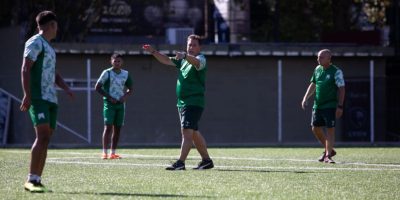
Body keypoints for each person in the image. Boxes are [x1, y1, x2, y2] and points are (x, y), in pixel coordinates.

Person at [20, 11, 74, 192]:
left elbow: (53, 73)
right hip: (38, 97)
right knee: (42, 136)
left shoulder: (49, 47)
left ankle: (37, 179)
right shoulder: (35, 42)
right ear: (52, 25)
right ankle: (30, 180)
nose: (57, 30)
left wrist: (66, 87)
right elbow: (26, 68)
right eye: (56, 26)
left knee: (46, 138)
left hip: (51, 98)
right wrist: (27, 95)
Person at [142, 34, 214, 170]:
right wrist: (153, 51)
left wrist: (185, 56)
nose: (191, 47)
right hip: (183, 102)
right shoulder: (183, 61)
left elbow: (198, 63)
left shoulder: (201, 58)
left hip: (193, 102)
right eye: (189, 45)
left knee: (186, 132)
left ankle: (180, 163)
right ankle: (207, 161)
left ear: (200, 47)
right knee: (194, 134)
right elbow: (166, 60)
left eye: (194, 45)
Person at [301, 49, 345, 164]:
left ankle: (328, 155)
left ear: (329, 59)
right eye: (318, 57)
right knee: (315, 128)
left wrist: (340, 106)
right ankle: (329, 150)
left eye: (321, 57)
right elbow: (313, 84)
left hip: (330, 105)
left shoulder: (336, 71)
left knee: (330, 129)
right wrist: (306, 97)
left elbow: (342, 89)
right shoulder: (317, 69)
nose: (318, 59)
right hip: (317, 105)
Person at [95, 53, 133, 160]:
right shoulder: (106, 73)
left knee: (118, 129)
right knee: (108, 127)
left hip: (120, 105)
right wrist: (109, 97)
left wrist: (124, 96)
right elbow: (97, 87)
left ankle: (113, 153)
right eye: (115, 61)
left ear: (122, 62)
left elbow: (131, 89)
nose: (117, 63)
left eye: (119, 61)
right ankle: (104, 152)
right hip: (109, 104)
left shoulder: (125, 74)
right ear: (111, 61)